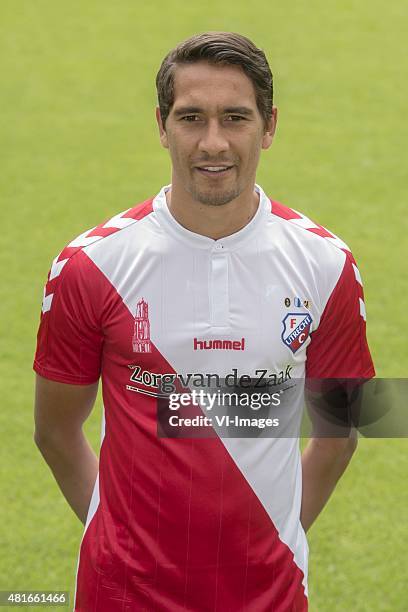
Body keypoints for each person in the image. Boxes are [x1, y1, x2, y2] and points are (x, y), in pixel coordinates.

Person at [33, 32, 375, 611]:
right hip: (122, 595)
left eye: (235, 117)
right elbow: (55, 431)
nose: (212, 142)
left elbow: (339, 431)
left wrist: (277, 535)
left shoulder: (326, 265)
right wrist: (119, 538)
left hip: (270, 595)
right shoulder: (90, 266)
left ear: (269, 126)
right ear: (162, 126)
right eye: (191, 117)